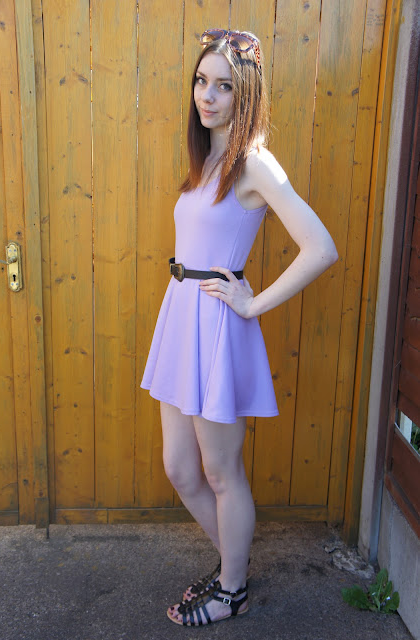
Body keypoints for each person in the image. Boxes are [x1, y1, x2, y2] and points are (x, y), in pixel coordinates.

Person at [140, 28, 338, 627]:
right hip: (181, 317)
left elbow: (320, 247)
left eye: (224, 86)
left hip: (217, 326)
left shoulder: (254, 162)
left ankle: (231, 589)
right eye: (202, 81)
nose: (208, 96)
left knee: (221, 472)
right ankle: (235, 567)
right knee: (181, 468)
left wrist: (252, 306)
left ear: (245, 94)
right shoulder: (206, 157)